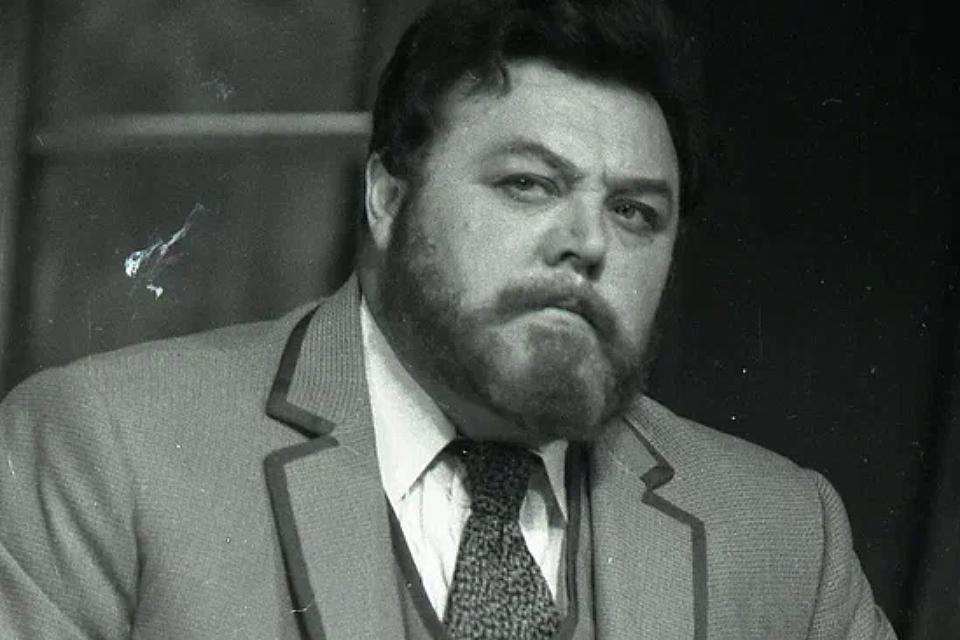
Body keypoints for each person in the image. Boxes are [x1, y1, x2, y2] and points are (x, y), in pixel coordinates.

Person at [0, 0, 897, 638]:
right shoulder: (107, 453)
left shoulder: (787, 536)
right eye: (528, 184)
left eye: (635, 212)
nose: (588, 243)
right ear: (389, 199)